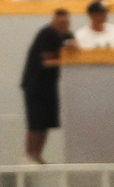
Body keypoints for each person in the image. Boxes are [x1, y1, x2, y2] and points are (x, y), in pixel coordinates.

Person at [22, 9, 75, 165]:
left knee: (46, 123)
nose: (64, 25)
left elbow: (74, 44)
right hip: (35, 84)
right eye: (60, 22)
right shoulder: (46, 34)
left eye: (66, 23)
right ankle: (28, 154)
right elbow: (47, 57)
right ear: (54, 22)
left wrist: (72, 44)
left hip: (50, 84)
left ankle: (37, 154)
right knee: (36, 122)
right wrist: (65, 50)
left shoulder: (65, 34)